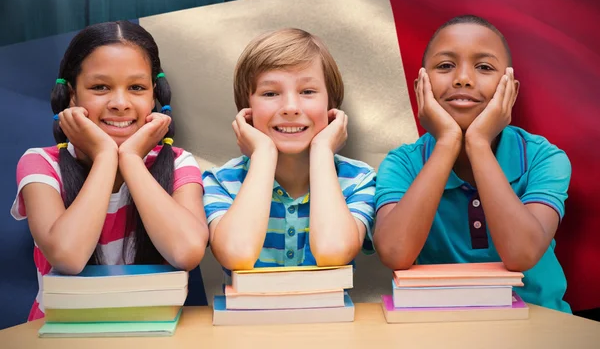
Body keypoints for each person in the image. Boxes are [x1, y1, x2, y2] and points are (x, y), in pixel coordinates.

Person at [10, 20, 209, 320]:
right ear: (72, 96)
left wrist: (129, 159)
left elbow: (187, 251)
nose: (119, 103)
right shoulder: (41, 163)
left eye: (136, 88)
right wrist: (105, 156)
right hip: (58, 334)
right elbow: (69, 256)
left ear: (155, 96)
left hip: (153, 332)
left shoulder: (179, 163)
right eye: (100, 87)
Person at [374, 15, 571, 312]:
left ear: (511, 91)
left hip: (539, 326)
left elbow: (521, 254)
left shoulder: (544, 159)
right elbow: (394, 253)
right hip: (437, 327)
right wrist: (447, 142)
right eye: (445, 66)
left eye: (484, 67)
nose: (463, 78)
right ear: (420, 88)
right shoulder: (402, 164)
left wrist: (478, 142)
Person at [203, 28, 376, 283]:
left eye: (307, 91)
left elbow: (333, 251)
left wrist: (322, 150)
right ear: (247, 110)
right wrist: (262, 154)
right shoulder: (221, 182)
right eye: (270, 93)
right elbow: (236, 254)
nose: (291, 108)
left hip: (330, 322)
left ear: (331, 106)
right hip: (247, 322)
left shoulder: (358, 180)